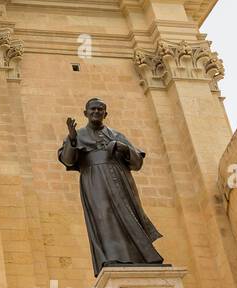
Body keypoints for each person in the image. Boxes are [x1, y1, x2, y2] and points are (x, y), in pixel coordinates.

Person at [57, 97, 165, 276]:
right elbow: (68, 160)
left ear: (105, 113)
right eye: (92, 109)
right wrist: (72, 139)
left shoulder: (116, 134)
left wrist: (123, 149)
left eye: (100, 109)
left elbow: (137, 163)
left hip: (120, 179)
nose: (96, 112)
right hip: (94, 181)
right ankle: (112, 256)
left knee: (128, 214)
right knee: (104, 216)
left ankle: (142, 256)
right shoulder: (79, 135)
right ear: (85, 113)